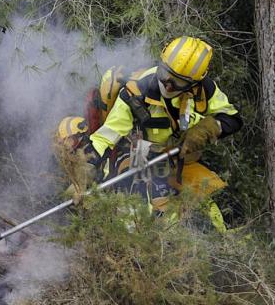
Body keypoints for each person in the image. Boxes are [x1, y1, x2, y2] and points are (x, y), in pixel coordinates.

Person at [81, 36, 242, 229]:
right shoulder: (135, 93)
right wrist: (82, 174)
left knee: (228, 209)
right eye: (165, 73)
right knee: (141, 219)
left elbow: (231, 118)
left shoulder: (204, 90)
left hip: (177, 159)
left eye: (178, 82)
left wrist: (206, 129)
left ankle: (232, 252)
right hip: (135, 160)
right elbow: (104, 138)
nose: (167, 85)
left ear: (193, 83)